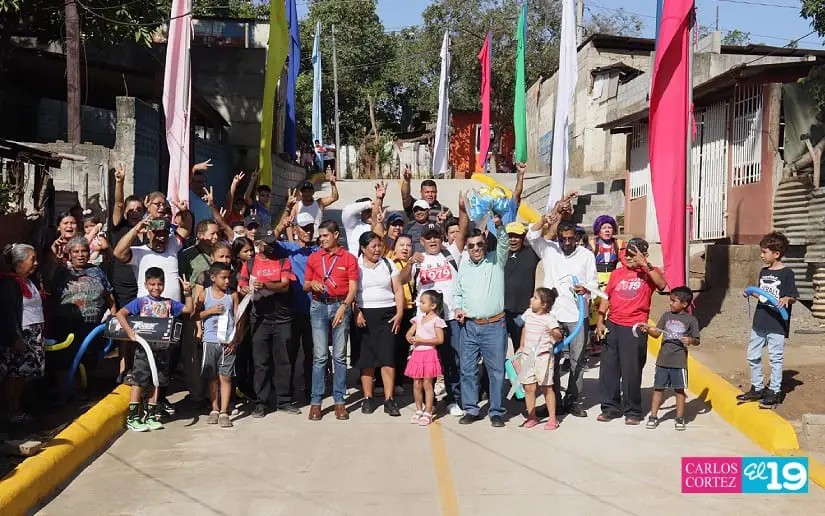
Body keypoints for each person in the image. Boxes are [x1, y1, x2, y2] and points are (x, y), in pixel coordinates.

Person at [527, 218, 598, 417]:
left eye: (570, 239)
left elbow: (594, 283)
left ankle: (573, 401)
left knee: (577, 360)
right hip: (553, 315)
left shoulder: (586, 255)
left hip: (577, 315)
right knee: (552, 359)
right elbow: (531, 235)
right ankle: (554, 402)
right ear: (557, 237)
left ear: (576, 237)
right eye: (563, 239)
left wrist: (585, 289)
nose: (566, 243)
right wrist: (543, 220)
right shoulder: (549, 249)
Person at [400, 210, 468, 418]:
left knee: (453, 360)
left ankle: (455, 397)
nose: (432, 241)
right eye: (428, 238)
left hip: (449, 319)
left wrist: (462, 208)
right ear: (422, 240)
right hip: (425, 322)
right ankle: (429, 401)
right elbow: (401, 280)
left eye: (436, 237)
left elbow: (463, 229)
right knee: (428, 362)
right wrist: (411, 262)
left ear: (442, 238)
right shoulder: (418, 260)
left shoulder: (450, 253)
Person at [596, 237, 667, 425]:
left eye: (633, 255)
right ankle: (609, 407)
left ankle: (633, 410)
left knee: (631, 371)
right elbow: (606, 297)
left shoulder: (650, 273)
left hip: (635, 327)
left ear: (644, 254)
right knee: (609, 369)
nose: (628, 258)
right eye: (627, 254)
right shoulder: (617, 273)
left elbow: (662, 286)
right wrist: (601, 320)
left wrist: (645, 265)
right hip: (613, 325)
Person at [116, 268, 193, 432]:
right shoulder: (140, 302)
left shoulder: (169, 303)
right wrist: (130, 333)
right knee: (139, 381)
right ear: (146, 284)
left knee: (157, 382)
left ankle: (151, 414)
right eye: (152, 284)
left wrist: (187, 292)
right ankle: (133, 417)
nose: (156, 288)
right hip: (144, 349)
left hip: (163, 351)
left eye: (159, 284)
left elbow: (188, 310)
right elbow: (120, 314)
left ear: (164, 285)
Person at [453, 224, 509, 428]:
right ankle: (471, 409)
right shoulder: (464, 265)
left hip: (494, 326)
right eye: (471, 246)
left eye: (479, 245)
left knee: (496, 371)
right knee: (467, 370)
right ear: (467, 248)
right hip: (469, 326)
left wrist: (499, 225)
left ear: (485, 245)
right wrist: (458, 308)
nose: (476, 249)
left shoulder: (496, 260)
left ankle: (496, 411)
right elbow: (458, 292)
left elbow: (504, 242)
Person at [736, 231, 798, 409]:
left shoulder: (787, 273)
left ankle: (775, 391)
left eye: (765, 252)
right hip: (760, 321)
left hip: (777, 323)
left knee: (775, 358)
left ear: (776, 254)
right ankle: (757, 388)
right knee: (752, 355)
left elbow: (792, 295)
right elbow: (763, 295)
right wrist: (751, 293)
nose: (762, 255)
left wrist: (787, 299)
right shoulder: (764, 272)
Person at [304, 220, 359, 421]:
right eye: (320, 236)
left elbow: (353, 287)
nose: (322, 239)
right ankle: (316, 402)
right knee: (319, 356)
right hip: (318, 305)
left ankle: (339, 401)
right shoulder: (314, 257)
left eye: (325, 235)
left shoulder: (349, 259)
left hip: (340, 306)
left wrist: (344, 307)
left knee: (339, 356)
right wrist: (313, 284)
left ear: (336, 235)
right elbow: (305, 285)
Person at [238, 235, 298, 418]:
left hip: (282, 317)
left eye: (274, 243)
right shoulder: (249, 264)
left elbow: (285, 286)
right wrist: (246, 289)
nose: (272, 246)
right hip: (260, 318)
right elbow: (241, 285)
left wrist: (266, 285)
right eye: (268, 243)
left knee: (283, 360)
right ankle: (261, 402)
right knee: (260, 362)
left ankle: (284, 400)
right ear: (258, 245)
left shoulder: (282, 261)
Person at [270, 194, 319, 405]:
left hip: (315, 312)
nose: (308, 232)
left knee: (313, 355)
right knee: (289, 355)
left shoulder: (320, 250)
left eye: (310, 228)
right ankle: (286, 393)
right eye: (304, 228)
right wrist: (286, 215)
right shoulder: (289, 248)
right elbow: (269, 240)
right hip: (291, 311)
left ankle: (311, 391)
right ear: (296, 229)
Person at [51, 236, 117, 384]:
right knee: (65, 359)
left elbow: (109, 296)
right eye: (76, 251)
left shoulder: (97, 271)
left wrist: (114, 317)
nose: (80, 255)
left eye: (84, 251)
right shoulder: (62, 271)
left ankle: (83, 389)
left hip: (91, 325)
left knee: (88, 357)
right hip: (66, 325)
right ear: (69, 254)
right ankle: (66, 392)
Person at [353, 232, 405, 417]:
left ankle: (389, 399)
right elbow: (352, 292)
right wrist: (357, 311)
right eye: (373, 246)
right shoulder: (356, 266)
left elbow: (397, 289)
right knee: (366, 358)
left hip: (387, 315)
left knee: (387, 357)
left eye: (379, 246)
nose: (377, 250)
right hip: (364, 315)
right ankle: (368, 398)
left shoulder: (388, 264)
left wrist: (399, 312)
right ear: (363, 248)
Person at [638, 286, 700, 431]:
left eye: (674, 301)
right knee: (658, 388)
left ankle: (679, 418)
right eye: (670, 301)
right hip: (663, 360)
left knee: (679, 390)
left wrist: (690, 341)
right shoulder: (666, 316)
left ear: (684, 304)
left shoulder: (691, 320)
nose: (670, 303)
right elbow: (656, 334)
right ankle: (653, 416)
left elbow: (697, 340)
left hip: (679, 362)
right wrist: (647, 330)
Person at [193, 262, 244, 428]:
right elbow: (195, 315)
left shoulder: (233, 295)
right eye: (223, 278)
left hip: (228, 342)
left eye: (229, 277)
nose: (227, 281)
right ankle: (214, 408)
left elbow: (239, 319)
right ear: (213, 278)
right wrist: (209, 312)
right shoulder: (204, 295)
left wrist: (235, 340)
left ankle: (224, 411)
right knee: (212, 377)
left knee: (226, 377)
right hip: (210, 340)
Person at [0, 244, 45, 424]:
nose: (36, 263)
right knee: (15, 374)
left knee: (24, 375)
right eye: (32, 260)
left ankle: (18, 408)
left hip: (33, 335)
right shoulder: (9, 284)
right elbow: (7, 313)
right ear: (19, 264)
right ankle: (11, 411)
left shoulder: (28, 281)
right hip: (21, 336)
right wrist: (15, 337)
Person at [517, 288, 563, 430]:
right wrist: (521, 345)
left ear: (544, 304)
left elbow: (559, 336)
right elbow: (525, 328)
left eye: (535, 298)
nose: (531, 299)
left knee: (546, 387)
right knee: (529, 387)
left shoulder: (550, 319)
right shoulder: (528, 313)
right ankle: (532, 417)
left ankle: (552, 418)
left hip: (543, 358)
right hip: (527, 357)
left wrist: (554, 333)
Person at [405, 290, 446, 427]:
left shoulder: (436, 321)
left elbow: (440, 339)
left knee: (428, 384)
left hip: (429, 353)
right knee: (416, 383)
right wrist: (410, 338)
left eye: (423, 302)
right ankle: (418, 409)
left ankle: (428, 410)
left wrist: (422, 340)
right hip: (417, 354)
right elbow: (409, 333)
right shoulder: (418, 319)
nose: (420, 305)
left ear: (433, 305)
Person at [503, 222, 539, 354]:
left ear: (523, 237)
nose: (512, 240)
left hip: (522, 313)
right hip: (502, 313)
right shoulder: (500, 254)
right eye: (509, 236)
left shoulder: (532, 253)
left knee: (522, 349)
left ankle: (522, 375)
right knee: (497, 351)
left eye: (516, 236)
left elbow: (548, 235)